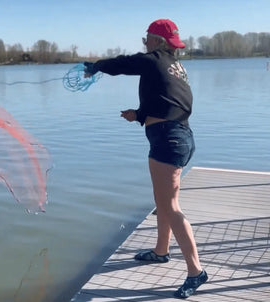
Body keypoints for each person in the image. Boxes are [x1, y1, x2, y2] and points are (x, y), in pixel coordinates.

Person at [84, 19, 207, 299]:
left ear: (157, 41)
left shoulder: (155, 60)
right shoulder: (174, 67)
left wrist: (96, 66)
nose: (144, 43)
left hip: (169, 138)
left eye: (147, 39)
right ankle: (161, 250)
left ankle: (196, 271)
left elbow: (123, 64)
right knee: (161, 198)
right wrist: (138, 115)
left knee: (171, 206)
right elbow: (170, 103)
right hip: (176, 136)